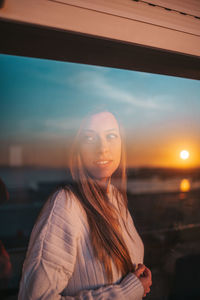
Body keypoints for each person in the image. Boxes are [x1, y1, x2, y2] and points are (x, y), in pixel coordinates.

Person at [18, 111, 152, 300]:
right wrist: (127, 292)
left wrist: (138, 283)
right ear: (76, 147)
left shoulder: (115, 197)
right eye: (89, 138)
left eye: (111, 136)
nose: (102, 148)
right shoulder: (65, 206)